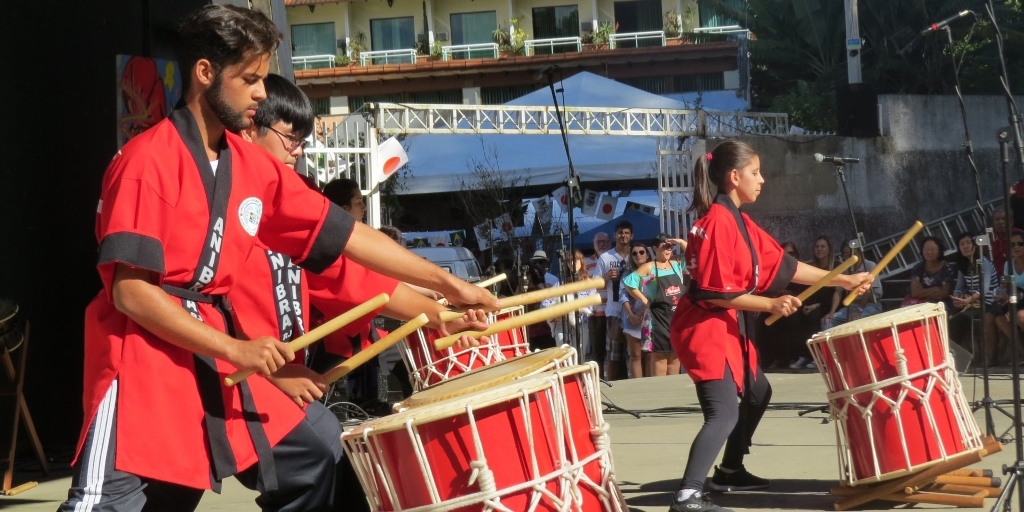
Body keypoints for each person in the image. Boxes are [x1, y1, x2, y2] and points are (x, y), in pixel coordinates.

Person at [60, 6, 498, 511]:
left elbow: (348, 236)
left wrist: (446, 286)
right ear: (205, 73)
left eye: (264, 78)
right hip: (144, 359)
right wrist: (237, 350)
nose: (262, 93)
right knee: (113, 505)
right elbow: (131, 292)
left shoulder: (249, 167)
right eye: (250, 79)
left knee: (314, 453)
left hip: (217, 354)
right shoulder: (147, 161)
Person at [229, 73, 491, 510]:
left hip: (272, 378)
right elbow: (204, 307)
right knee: (314, 457)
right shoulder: (231, 201)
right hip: (228, 376)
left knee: (338, 451)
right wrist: (447, 287)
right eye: (290, 139)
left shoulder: (289, 202)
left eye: (302, 143)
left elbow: (362, 277)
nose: (298, 153)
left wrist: (442, 310)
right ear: (248, 128)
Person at [667, 140, 872, 512]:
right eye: (756, 172)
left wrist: (842, 280)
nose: (762, 180)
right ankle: (687, 495)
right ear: (734, 176)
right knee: (724, 412)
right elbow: (713, 292)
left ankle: (729, 469)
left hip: (728, 325)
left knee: (758, 392)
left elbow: (786, 268)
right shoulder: (715, 223)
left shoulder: (740, 222)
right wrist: (770, 302)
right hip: (706, 328)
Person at [626, 234, 687, 377]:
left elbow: (693, 253)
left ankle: (673, 393)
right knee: (659, 357)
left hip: (676, 316)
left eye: (670, 247)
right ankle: (659, 392)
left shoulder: (676, 264)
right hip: (657, 318)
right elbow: (630, 283)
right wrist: (644, 300)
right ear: (654, 248)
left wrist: (680, 241)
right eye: (664, 246)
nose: (668, 250)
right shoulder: (650, 267)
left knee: (675, 355)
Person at [947, 232, 999, 359]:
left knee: (987, 320)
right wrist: (956, 297)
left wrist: (967, 300)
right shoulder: (963, 265)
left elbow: (984, 289)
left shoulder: (984, 263)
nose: (965, 246)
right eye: (962, 244)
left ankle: (991, 358)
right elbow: (959, 286)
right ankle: (953, 357)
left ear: (975, 246)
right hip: (974, 304)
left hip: (991, 303)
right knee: (953, 321)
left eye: (968, 243)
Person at [790, 236, 834, 370]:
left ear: (829, 249)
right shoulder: (812, 268)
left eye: (822, 246)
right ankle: (804, 355)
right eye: (817, 246)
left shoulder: (836, 266)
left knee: (814, 316)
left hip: (830, 305)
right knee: (796, 315)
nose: (819, 249)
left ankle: (818, 356)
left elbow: (835, 293)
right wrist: (805, 306)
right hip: (814, 304)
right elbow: (808, 290)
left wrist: (817, 305)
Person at [597, 221, 634, 380]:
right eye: (620, 233)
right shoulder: (605, 258)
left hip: (636, 311)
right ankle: (615, 387)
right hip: (615, 312)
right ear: (615, 235)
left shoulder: (638, 253)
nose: (623, 236)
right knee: (614, 356)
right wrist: (606, 277)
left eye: (626, 233)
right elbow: (596, 284)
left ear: (631, 235)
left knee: (636, 354)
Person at [821, 243, 884, 330]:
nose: (847, 256)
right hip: (852, 306)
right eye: (845, 254)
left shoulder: (870, 265)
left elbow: (868, 291)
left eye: (849, 253)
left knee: (858, 321)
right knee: (827, 321)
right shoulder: (845, 268)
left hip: (870, 304)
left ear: (858, 253)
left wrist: (859, 310)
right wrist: (832, 312)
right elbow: (838, 292)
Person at [619, 241, 652, 378]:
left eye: (641, 252)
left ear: (648, 254)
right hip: (630, 318)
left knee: (650, 354)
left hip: (650, 317)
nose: (638, 255)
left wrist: (640, 312)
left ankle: (652, 386)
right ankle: (638, 385)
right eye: (634, 253)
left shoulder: (654, 270)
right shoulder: (627, 274)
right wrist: (631, 314)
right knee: (635, 355)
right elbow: (622, 295)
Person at [908, 236, 957, 310]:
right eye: (926, 249)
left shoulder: (946, 267)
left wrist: (922, 292)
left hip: (942, 304)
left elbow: (945, 293)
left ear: (939, 251)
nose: (929, 252)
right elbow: (915, 293)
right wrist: (936, 289)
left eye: (933, 249)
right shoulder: (918, 267)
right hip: (921, 304)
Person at [587, 233, 612, 377]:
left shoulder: (614, 259)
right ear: (594, 244)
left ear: (610, 242)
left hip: (613, 311)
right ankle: (598, 379)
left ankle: (612, 378)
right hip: (595, 313)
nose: (601, 244)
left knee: (613, 352)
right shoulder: (586, 262)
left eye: (605, 241)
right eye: (598, 242)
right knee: (597, 351)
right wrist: (604, 278)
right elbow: (587, 286)